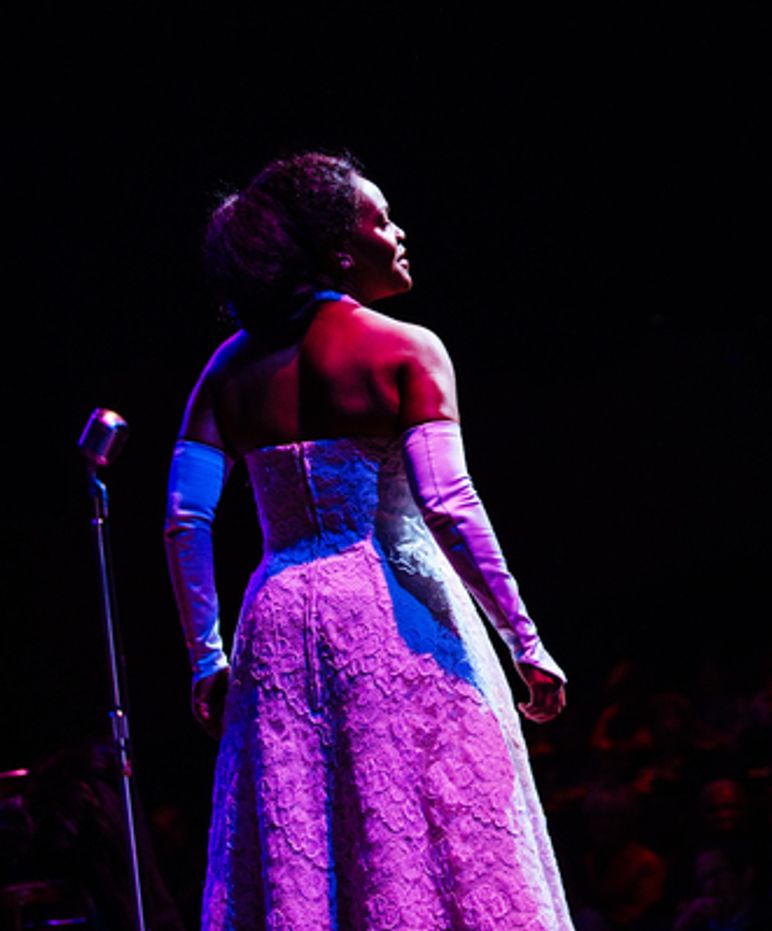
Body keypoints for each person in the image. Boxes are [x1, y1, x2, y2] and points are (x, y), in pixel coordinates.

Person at [163, 152, 572, 928]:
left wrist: (207, 655)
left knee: (313, 844)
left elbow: (185, 519)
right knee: (431, 836)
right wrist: (524, 637)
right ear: (340, 251)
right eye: (380, 220)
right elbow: (448, 504)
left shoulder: (225, 371)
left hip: (278, 628)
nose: (399, 232)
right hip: (395, 612)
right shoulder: (406, 348)